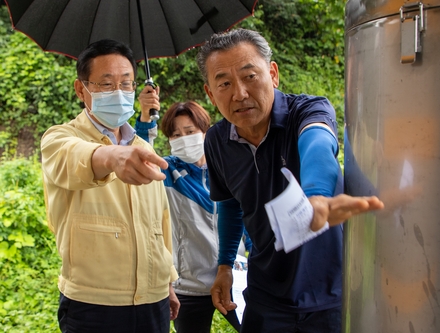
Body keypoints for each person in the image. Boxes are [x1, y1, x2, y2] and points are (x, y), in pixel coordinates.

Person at [195, 28, 385, 333]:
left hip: (330, 295)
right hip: (265, 296)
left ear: (273, 74)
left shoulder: (308, 111)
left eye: (250, 76)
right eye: (225, 83)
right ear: (209, 93)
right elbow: (231, 204)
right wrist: (225, 265)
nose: (240, 94)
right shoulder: (217, 140)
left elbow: (318, 143)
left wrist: (318, 195)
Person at [40, 39, 179, 333]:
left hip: (153, 301)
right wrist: (111, 156)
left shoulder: (142, 146)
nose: (119, 92)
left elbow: (161, 223)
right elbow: (74, 158)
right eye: (106, 84)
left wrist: (167, 280)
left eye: (126, 84)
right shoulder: (59, 138)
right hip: (93, 305)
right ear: (81, 90)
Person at [135, 99, 248, 332]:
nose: (183, 139)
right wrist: (146, 118)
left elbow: (246, 218)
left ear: (205, 132)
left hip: (232, 278)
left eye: (189, 131)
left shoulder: (229, 169)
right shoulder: (168, 172)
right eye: (175, 135)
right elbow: (141, 156)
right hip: (188, 286)